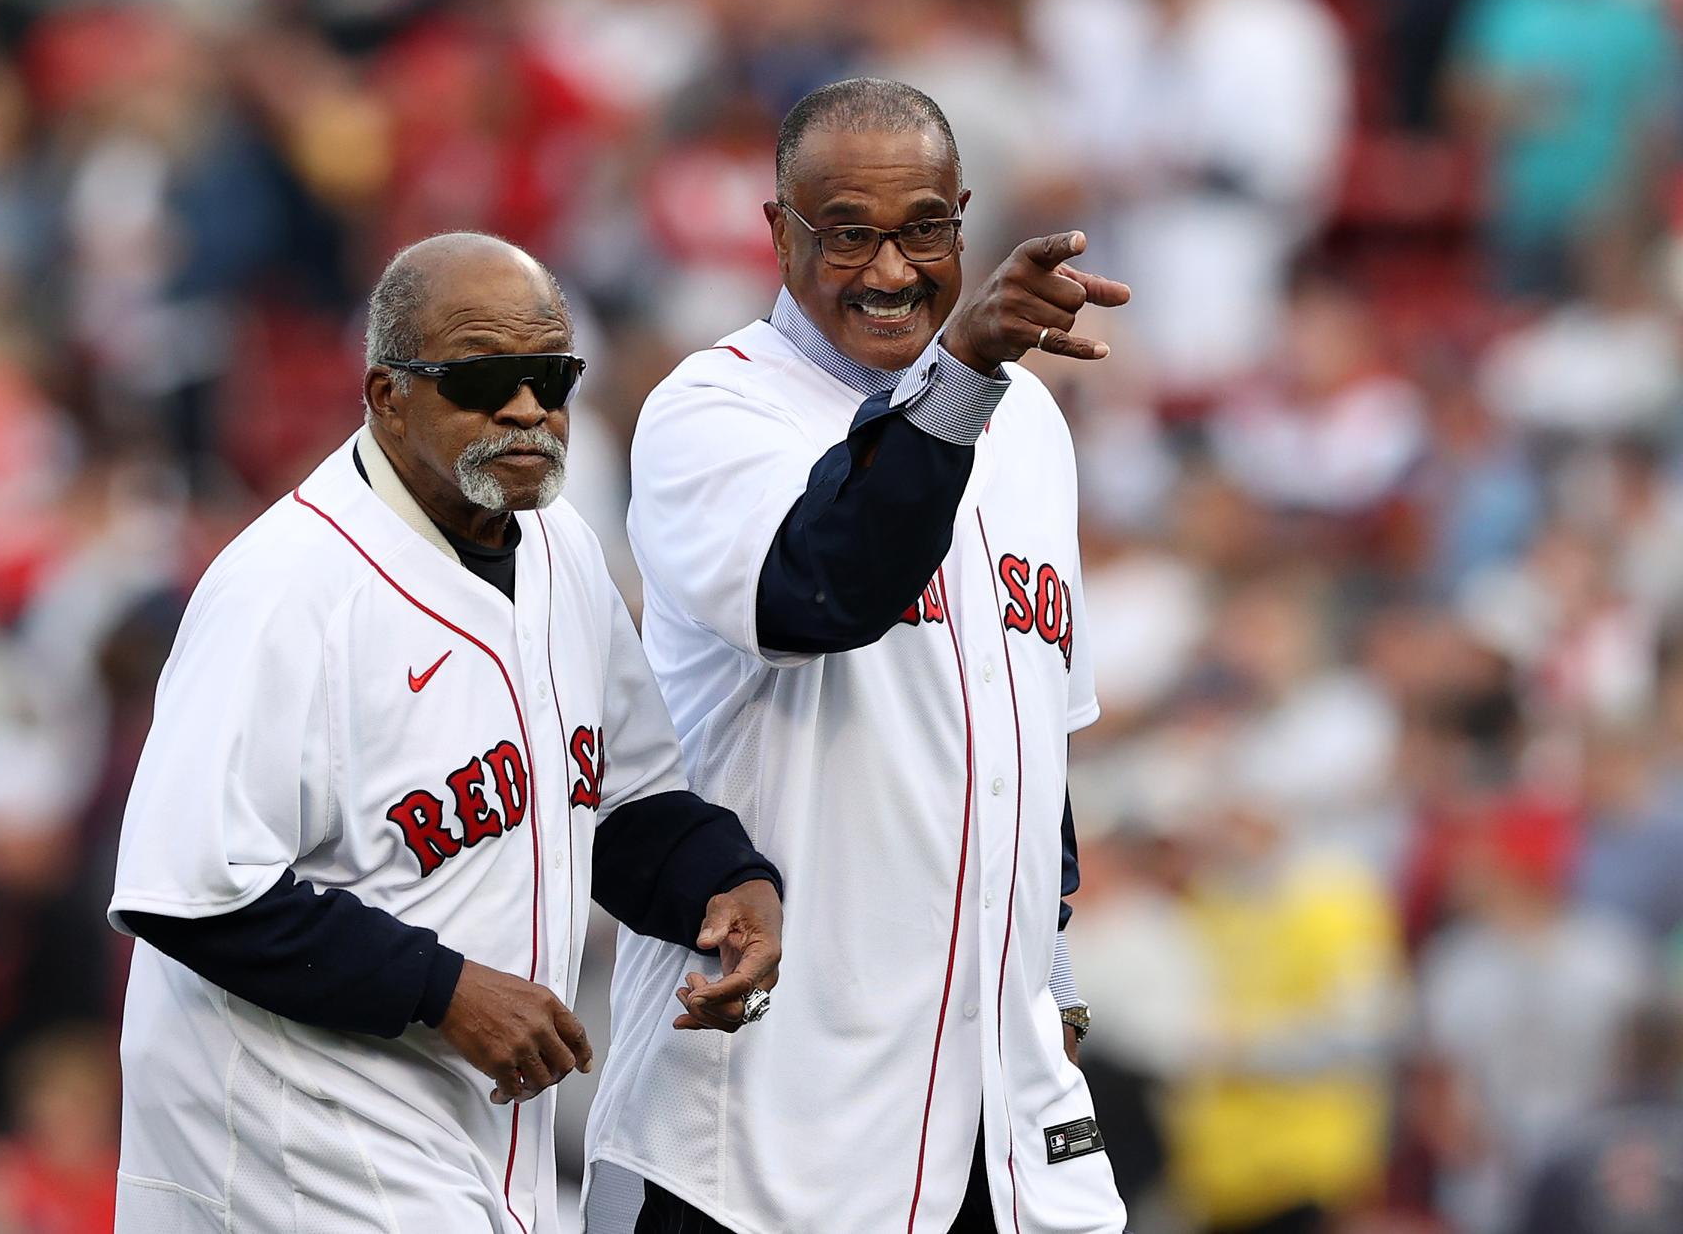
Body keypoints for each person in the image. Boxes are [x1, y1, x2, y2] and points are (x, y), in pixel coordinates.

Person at [108, 232, 784, 1234]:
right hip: (292, 1128)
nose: (525, 410)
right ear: (388, 397)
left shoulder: (559, 547)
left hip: (459, 1121)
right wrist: (447, 991)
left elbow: (623, 804)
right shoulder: (286, 585)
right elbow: (193, 892)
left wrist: (726, 885)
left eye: (548, 378)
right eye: (481, 380)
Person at [587, 78, 1131, 1233]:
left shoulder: (1030, 424)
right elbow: (823, 586)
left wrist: (1052, 972)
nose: (890, 271)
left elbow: (1028, 735)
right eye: (848, 234)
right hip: (775, 1123)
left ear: (964, 220)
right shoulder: (713, 412)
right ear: (779, 232)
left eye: (922, 230)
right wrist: (964, 373)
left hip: (1000, 1117)